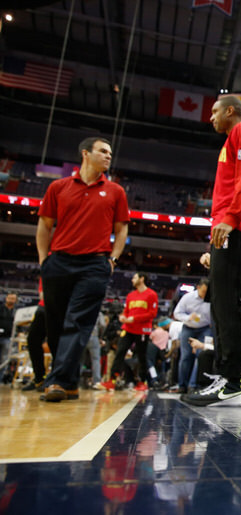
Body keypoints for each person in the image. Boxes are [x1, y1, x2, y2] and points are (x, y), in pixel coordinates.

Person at [182, 94, 241, 407]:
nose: (211, 117)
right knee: (222, 304)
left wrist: (229, 219)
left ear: (230, 111)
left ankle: (234, 383)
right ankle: (229, 377)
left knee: (228, 304)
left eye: (215, 111)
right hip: (233, 227)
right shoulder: (233, 139)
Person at [37, 136, 129, 402]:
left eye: (110, 152)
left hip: (94, 264)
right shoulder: (58, 187)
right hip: (58, 262)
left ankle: (56, 382)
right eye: (103, 151)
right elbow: (44, 225)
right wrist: (44, 260)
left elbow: (122, 229)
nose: (108, 156)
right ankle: (70, 381)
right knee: (54, 324)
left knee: (77, 322)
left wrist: (112, 259)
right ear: (85, 154)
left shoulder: (115, 191)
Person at [102, 272, 158, 391]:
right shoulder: (131, 295)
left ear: (142, 279)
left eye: (134, 277)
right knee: (120, 352)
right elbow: (127, 310)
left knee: (141, 356)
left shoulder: (151, 294)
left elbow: (152, 314)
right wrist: (124, 317)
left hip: (142, 330)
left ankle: (142, 381)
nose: (132, 279)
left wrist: (134, 318)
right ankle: (112, 380)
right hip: (128, 328)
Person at [172, 278, 212, 393]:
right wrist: (187, 318)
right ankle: (182, 385)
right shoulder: (187, 298)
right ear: (198, 288)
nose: (205, 294)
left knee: (202, 356)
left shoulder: (211, 299)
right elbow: (177, 313)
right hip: (188, 328)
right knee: (186, 357)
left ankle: (193, 385)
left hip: (205, 329)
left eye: (207, 292)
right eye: (204, 291)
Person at [0, 291, 17, 382]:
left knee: (4, 360)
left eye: (13, 299)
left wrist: (20, 332)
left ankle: (0, 379)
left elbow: (20, 324)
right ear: (6, 298)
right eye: (10, 298)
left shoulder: (17, 311)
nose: (11, 300)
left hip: (8, 338)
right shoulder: (1, 308)